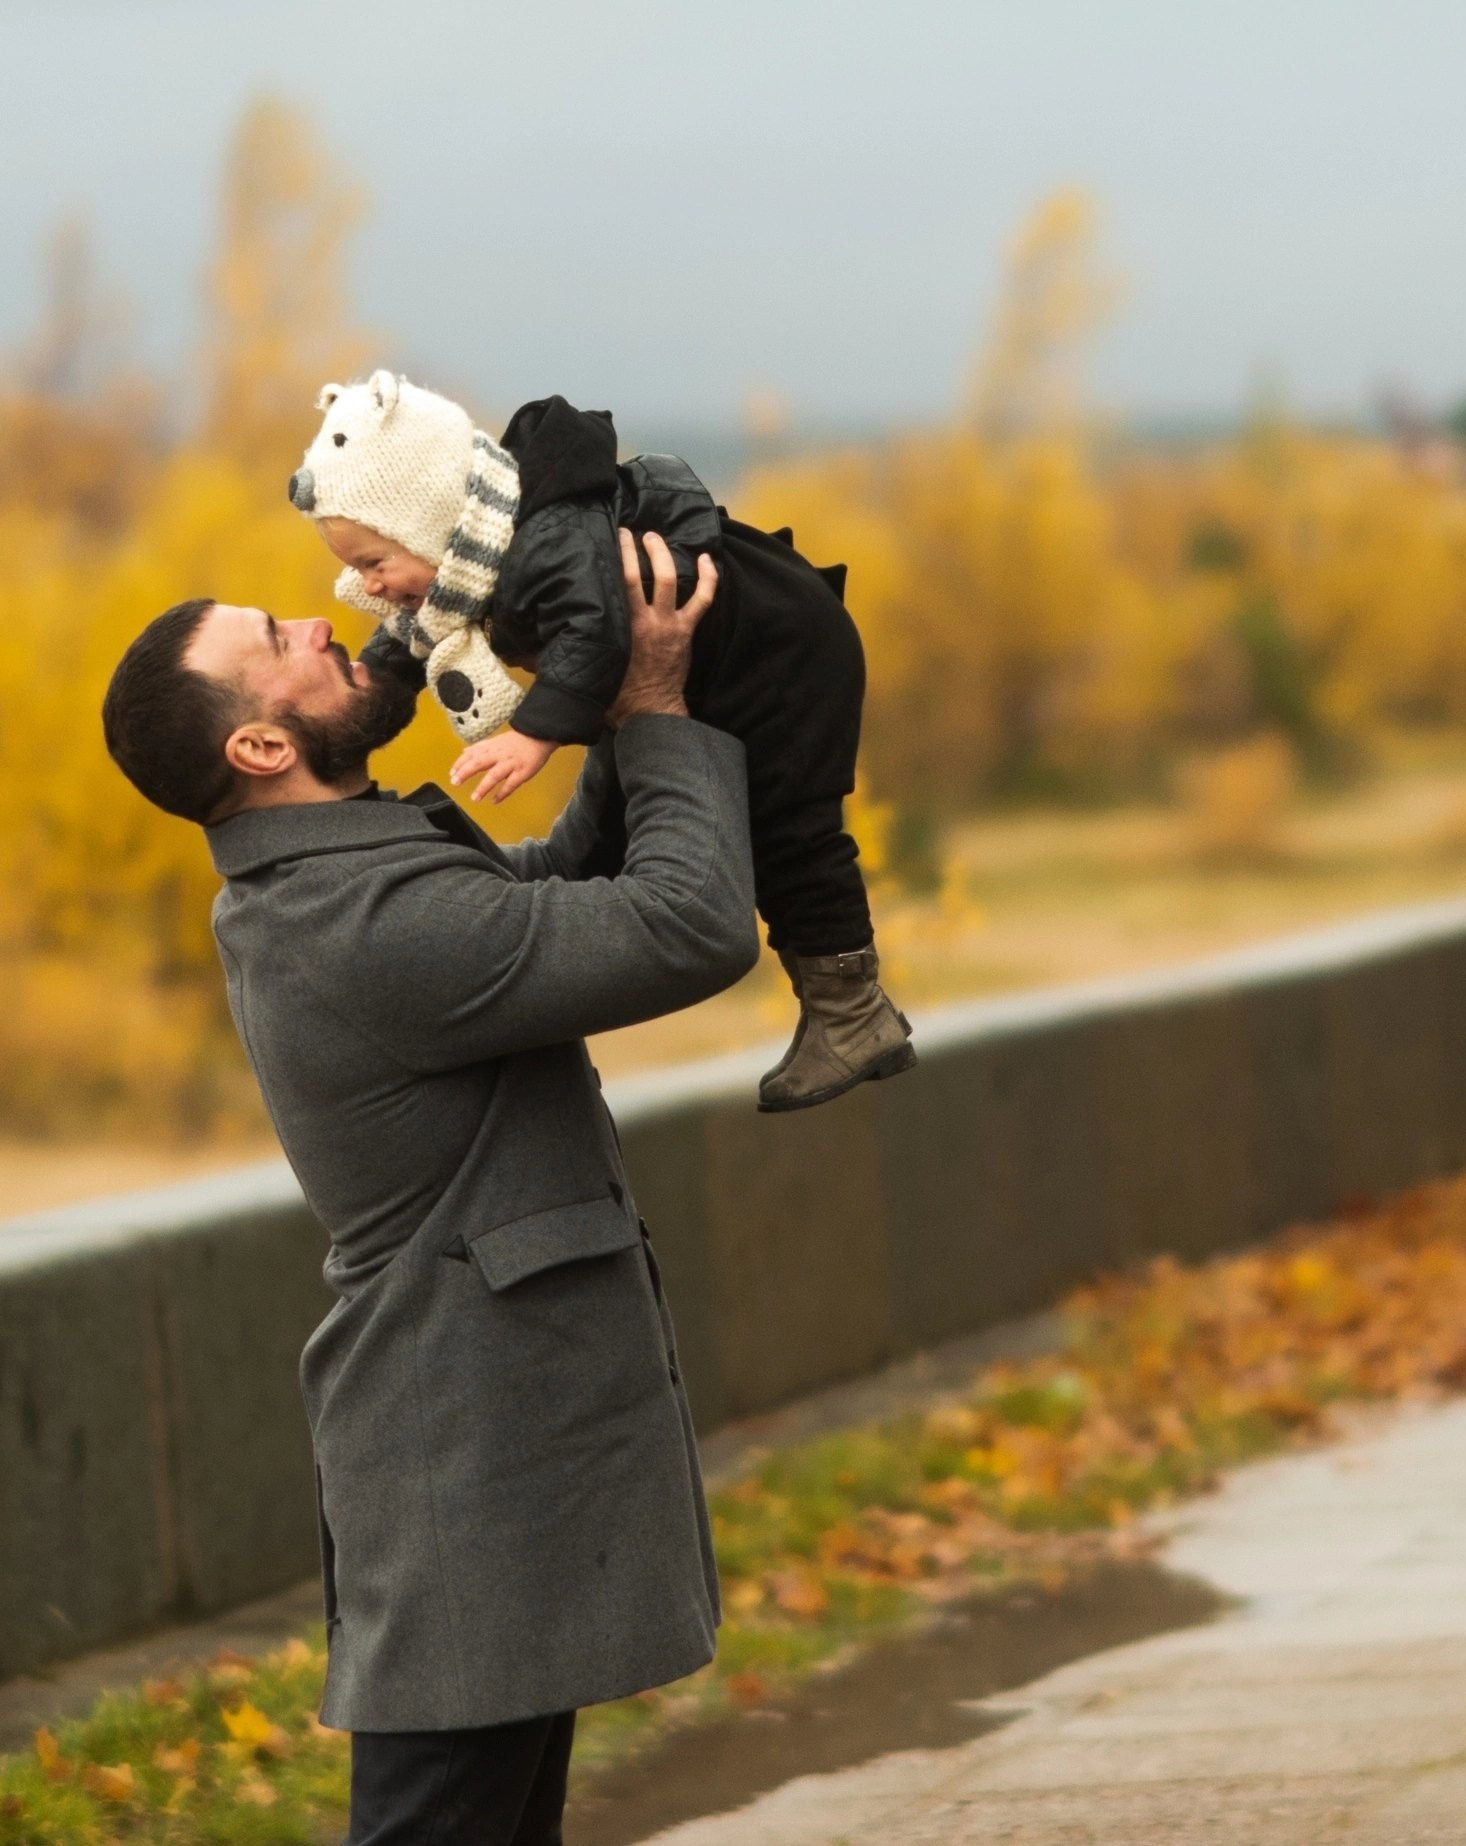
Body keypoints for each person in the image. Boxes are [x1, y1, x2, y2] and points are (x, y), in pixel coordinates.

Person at [101, 532, 752, 1845]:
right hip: (470, 1458)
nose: (315, 624)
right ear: (260, 750)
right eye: (272, 644)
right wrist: (657, 708)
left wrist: (616, 684)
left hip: (484, 1437)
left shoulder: (335, 886)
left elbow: (550, 900)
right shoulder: (364, 926)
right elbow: (689, 925)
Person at [289, 370, 913, 1113]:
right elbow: (406, 651)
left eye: (371, 562)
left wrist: (532, 735)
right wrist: (348, 705)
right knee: (604, 840)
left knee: (789, 832)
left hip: (775, 653)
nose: (365, 587)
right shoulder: (464, 567)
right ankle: (560, 941)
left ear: (429, 521)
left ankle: (851, 1010)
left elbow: (596, 629)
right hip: (687, 680)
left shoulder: (545, 542)